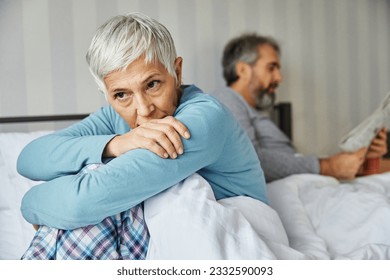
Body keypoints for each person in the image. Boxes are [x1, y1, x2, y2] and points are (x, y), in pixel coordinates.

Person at [17, 14, 267, 259]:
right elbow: (29, 159)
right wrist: (116, 144)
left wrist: (30, 204)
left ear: (177, 72)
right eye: (121, 95)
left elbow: (81, 203)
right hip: (161, 242)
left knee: (95, 190)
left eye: (152, 84)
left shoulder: (203, 120)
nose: (144, 109)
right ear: (106, 94)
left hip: (234, 242)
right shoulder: (113, 119)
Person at [212, 33, 387, 182]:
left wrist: (360, 157)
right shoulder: (226, 98)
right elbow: (249, 159)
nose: (279, 77)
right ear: (242, 70)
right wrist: (328, 167)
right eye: (271, 67)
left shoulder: (250, 110)